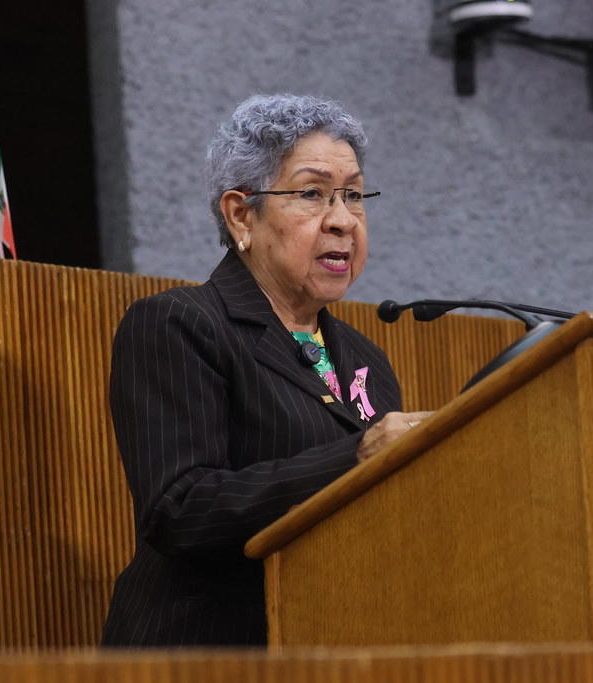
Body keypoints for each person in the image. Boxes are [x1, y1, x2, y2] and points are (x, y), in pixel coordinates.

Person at [101, 94, 430, 646]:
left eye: (353, 195)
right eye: (312, 194)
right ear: (240, 215)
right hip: (204, 652)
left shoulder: (365, 358)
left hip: (331, 643)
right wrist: (357, 456)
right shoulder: (181, 324)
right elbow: (180, 511)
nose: (343, 221)